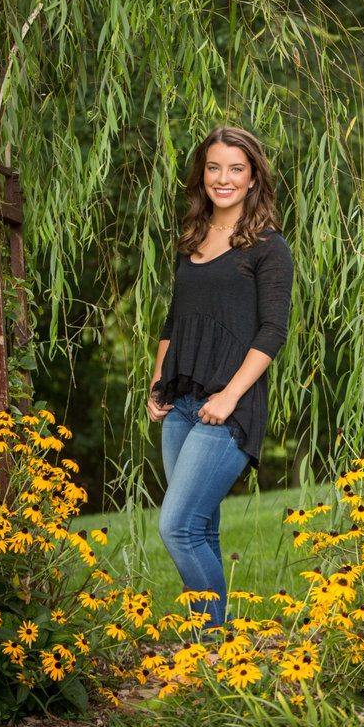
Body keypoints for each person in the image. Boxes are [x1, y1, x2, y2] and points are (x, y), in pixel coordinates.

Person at [147, 126, 293, 635]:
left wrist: (230, 396)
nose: (223, 178)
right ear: (201, 173)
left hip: (229, 407)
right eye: (214, 167)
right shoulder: (191, 240)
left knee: (176, 527)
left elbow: (274, 330)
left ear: (253, 178)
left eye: (236, 168)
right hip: (181, 402)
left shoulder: (268, 249)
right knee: (201, 526)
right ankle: (214, 658)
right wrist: (157, 381)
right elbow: (175, 319)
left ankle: (212, 644)